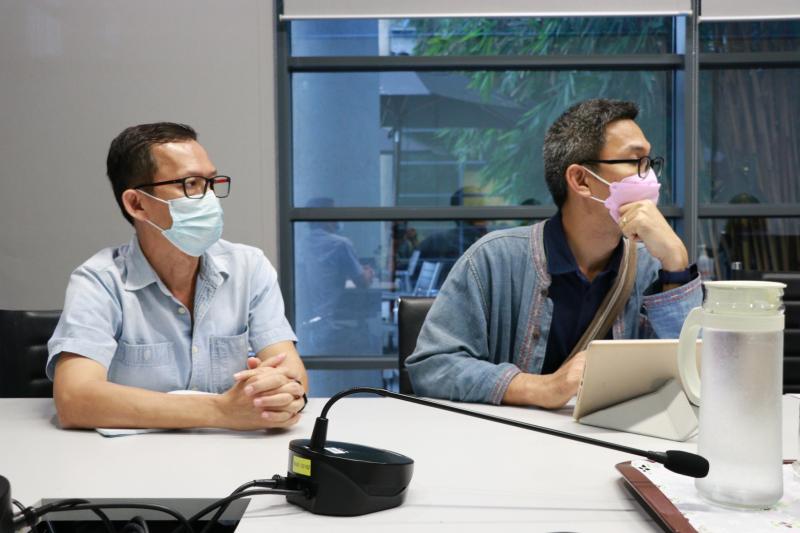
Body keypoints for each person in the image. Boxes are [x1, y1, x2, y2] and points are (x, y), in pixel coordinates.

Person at [406, 99, 701, 408]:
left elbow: (697, 379)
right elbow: (432, 366)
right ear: (581, 180)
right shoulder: (494, 260)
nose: (649, 176)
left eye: (649, 162)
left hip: (612, 438)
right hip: (509, 438)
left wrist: (675, 260)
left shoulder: (652, 269)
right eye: (635, 161)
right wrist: (542, 388)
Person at [47, 123, 307, 430]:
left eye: (211, 182)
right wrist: (220, 411)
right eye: (190, 184)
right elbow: (74, 399)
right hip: (132, 454)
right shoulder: (99, 281)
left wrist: (281, 393)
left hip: (230, 451)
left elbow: (291, 373)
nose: (209, 198)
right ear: (137, 204)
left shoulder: (249, 267)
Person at [295, 197, 375, 355]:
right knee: (373, 341)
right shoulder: (340, 244)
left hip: (306, 324)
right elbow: (363, 282)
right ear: (326, 217)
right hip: (331, 323)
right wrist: (368, 272)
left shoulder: (301, 243)